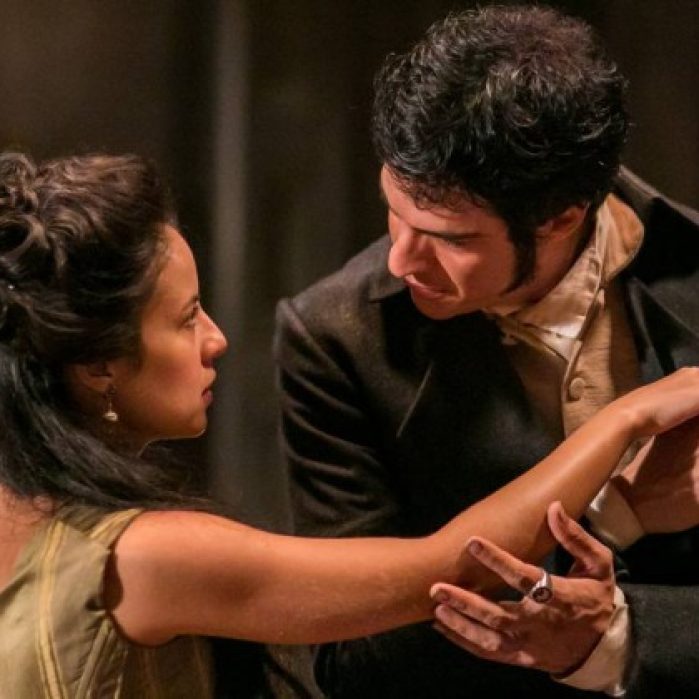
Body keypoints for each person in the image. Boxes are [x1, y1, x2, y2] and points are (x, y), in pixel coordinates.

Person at [4, 153, 696, 698]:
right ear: (97, 364)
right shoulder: (148, 556)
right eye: (185, 319)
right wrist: (625, 418)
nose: (216, 338)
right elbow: (449, 566)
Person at [274, 5, 699, 698]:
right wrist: (611, 517)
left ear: (561, 217)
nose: (402, 260)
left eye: (451, 238)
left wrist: (630, 635)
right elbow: (354, 658)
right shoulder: (338, 335)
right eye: (394, 210)